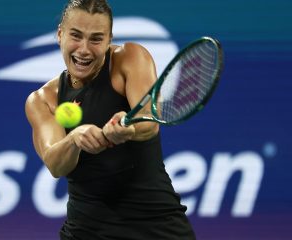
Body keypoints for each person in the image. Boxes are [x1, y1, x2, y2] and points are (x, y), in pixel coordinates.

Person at [25, 0, 196, 239]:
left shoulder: (129, 57)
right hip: (87, 230)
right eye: (76, 36)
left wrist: (128, 127)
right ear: (60, 34)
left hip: (156, 225)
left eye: (96, 39)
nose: (84, 49)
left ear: (108, 39)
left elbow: (148, 123)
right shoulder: (43, 100)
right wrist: (74, 138)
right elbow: (55, 164)